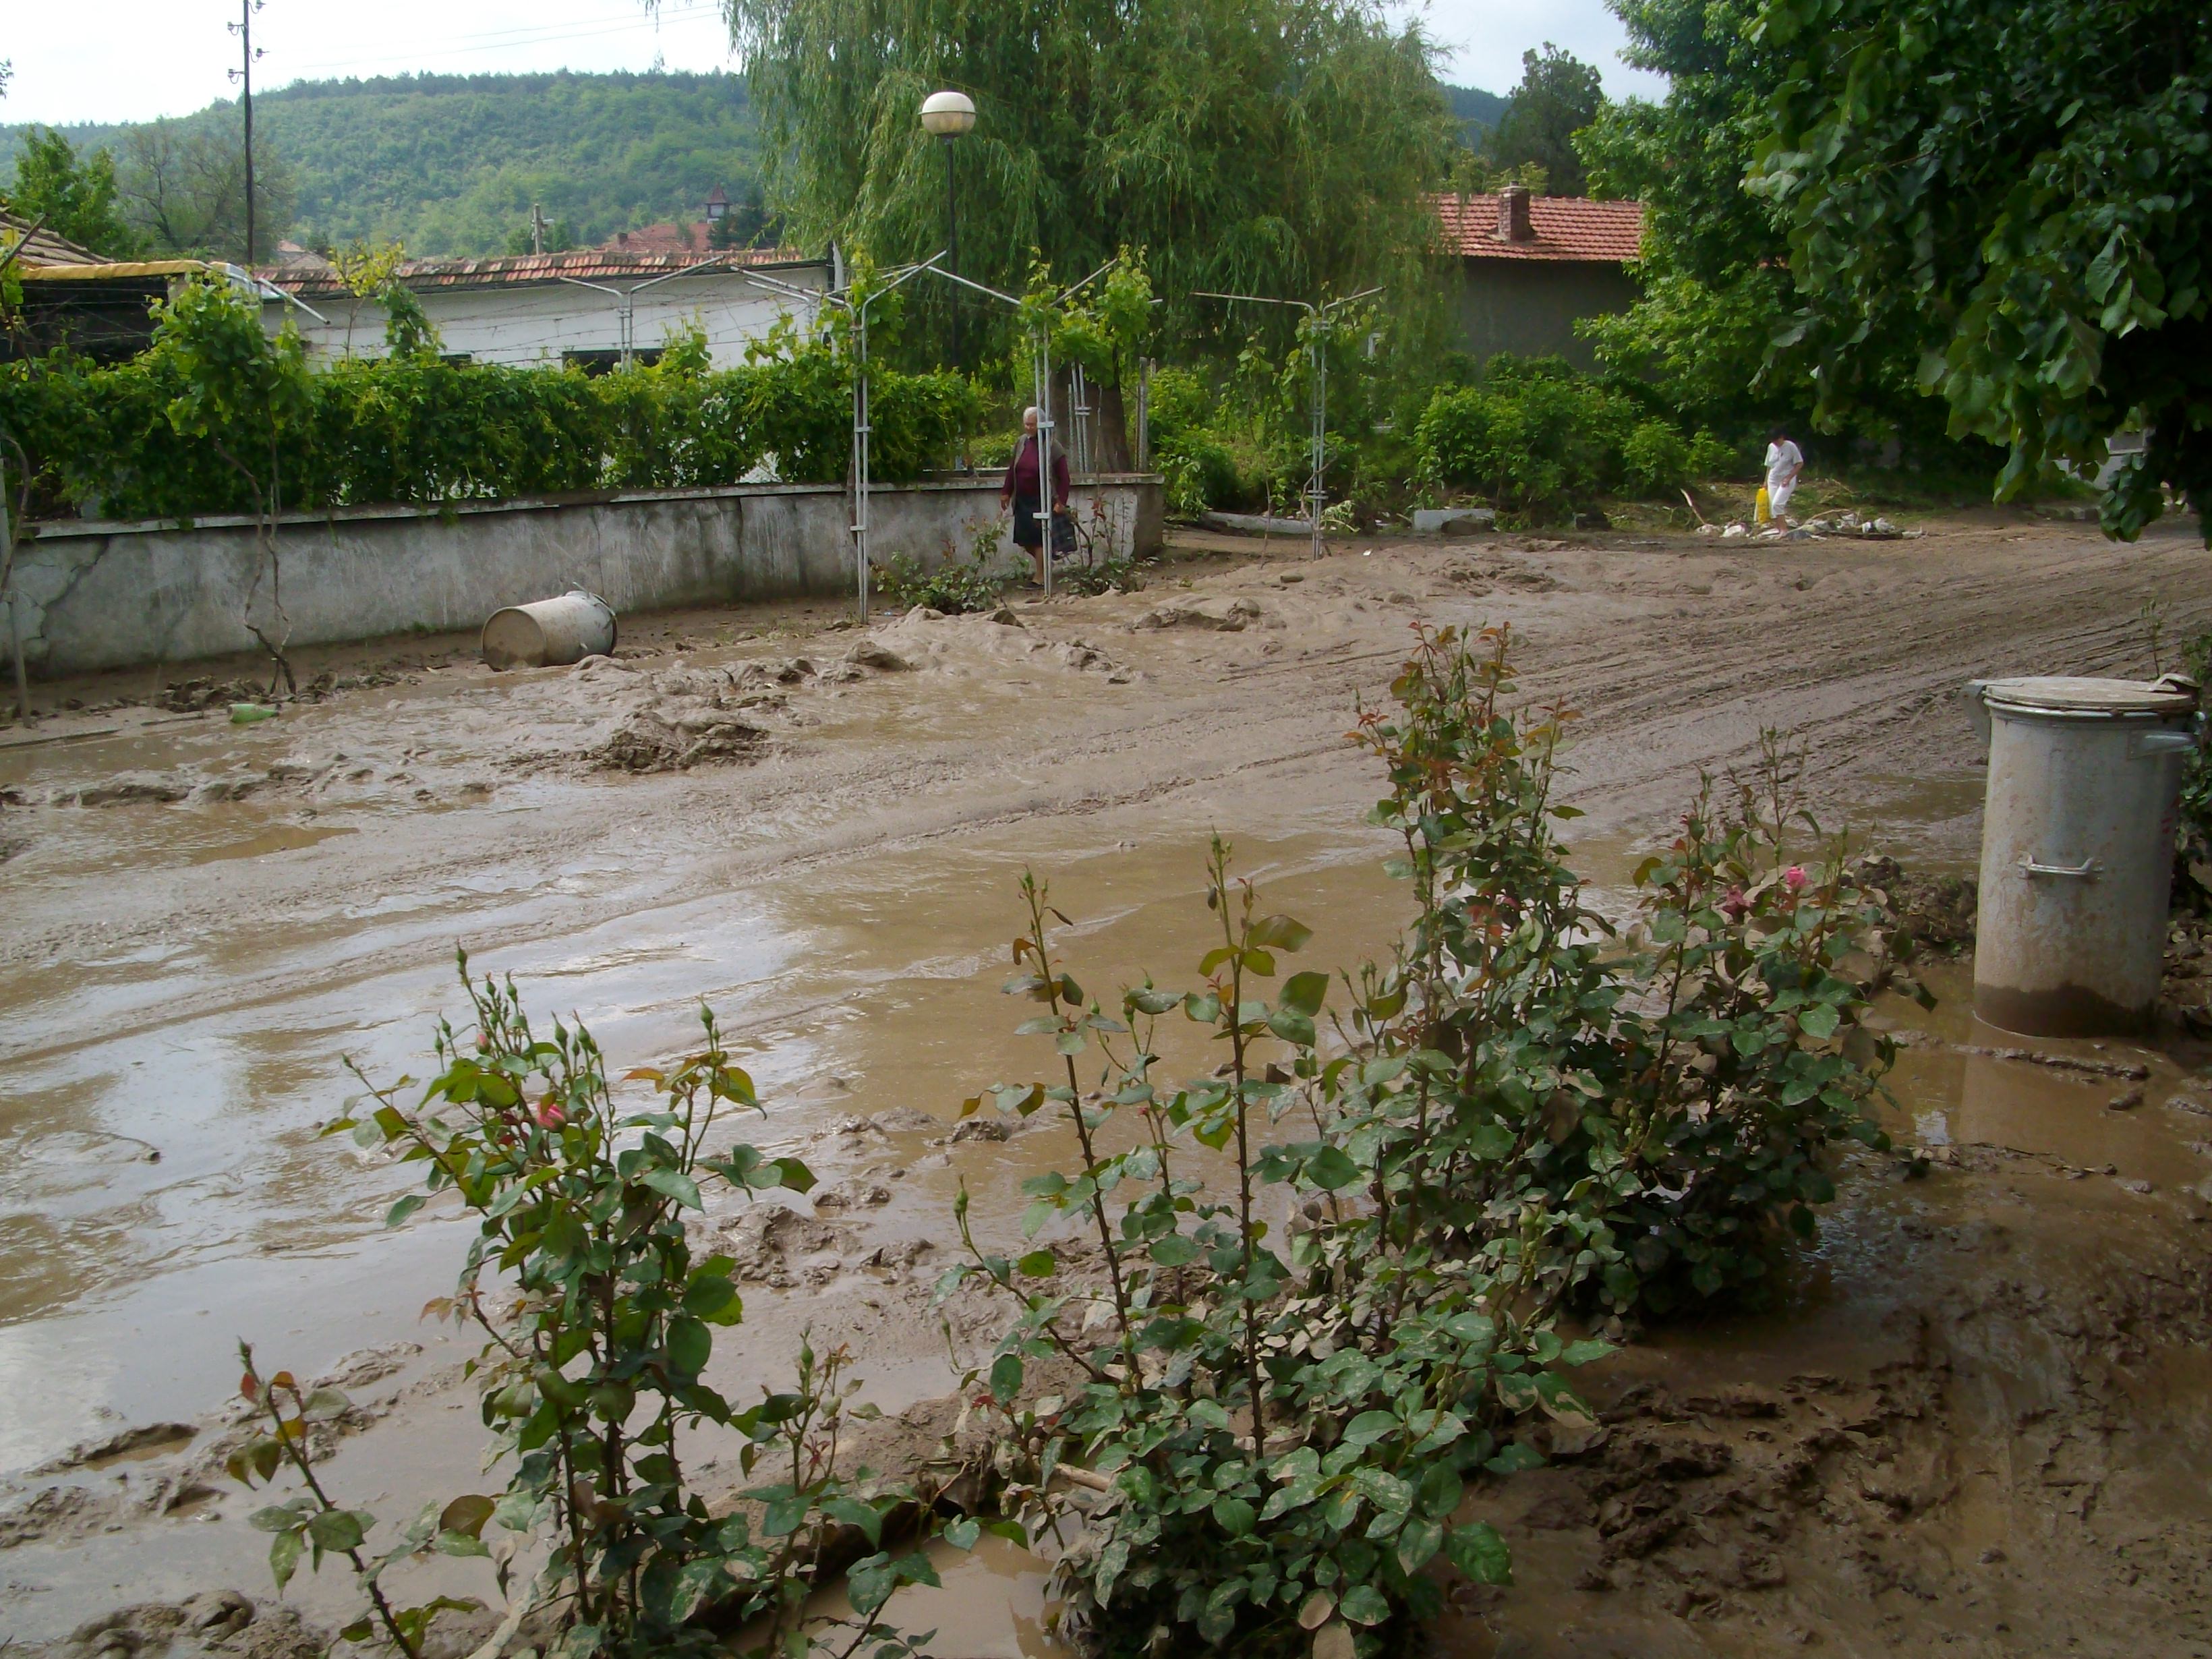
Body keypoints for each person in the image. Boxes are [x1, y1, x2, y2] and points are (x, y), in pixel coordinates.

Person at [999, 406, 1070, 585]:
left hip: (1042, 499)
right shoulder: (1022, 442)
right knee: (1024, 539)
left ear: (1041, 424)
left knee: (1038, 538)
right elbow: (1012, 469)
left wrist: (1061, 501)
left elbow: (1064, 478)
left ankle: (1040, 577)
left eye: (1032, 425)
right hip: (1023, 499)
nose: (1029, 428)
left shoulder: (1053, 446)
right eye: (1026, 424)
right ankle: (1046, 564)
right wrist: (1006, 492)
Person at [1764, 425, 1805, 523]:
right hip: (1773, 479)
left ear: (1781, 437)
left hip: (1786, 478)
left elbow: (1799, 463)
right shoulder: (1771, 447)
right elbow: (1769, 465)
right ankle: (1778, 528)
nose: (1776, 444)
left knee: (1778, 504)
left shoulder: (1790, 446)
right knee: (1773, 507)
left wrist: (1789, 477)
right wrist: (1765, 482)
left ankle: (1783, 529)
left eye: (1777, 441)